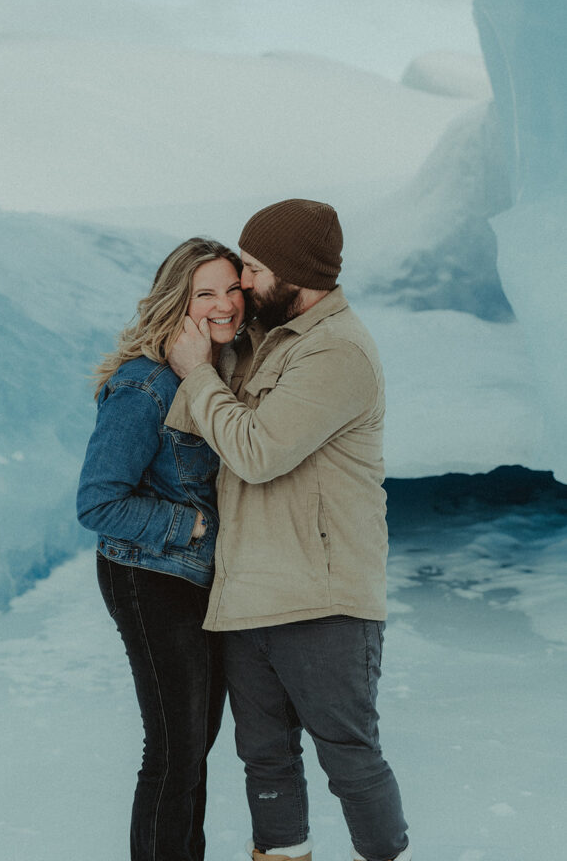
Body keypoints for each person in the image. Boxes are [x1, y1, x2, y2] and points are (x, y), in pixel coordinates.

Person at [166, 200, 411, 861]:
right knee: (265, 763)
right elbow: (200, 429)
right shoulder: (268, 340)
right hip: (248, 595)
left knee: (349, 761)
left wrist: (196, 376)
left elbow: (255, 452)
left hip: (322, 599)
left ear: (295, 274)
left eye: (251, 267)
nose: (242, 282)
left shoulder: (338, 353)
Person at [76, 237, 246, 861]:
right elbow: (97, 502)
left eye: (233, 289)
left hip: (198, 581)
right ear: (178, 300)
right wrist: (196, 527)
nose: (225, 304)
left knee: (194, 746)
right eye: (206, 293)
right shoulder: (143, 386)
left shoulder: (220, 372)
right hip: (149, 577)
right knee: (174, 750)